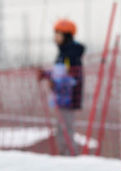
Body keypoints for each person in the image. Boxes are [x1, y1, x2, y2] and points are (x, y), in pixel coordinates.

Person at [41, 19, 85, 155]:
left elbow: (68, 77)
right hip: (62, 97)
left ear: (66, 35)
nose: (55, 37)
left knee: (66, 130)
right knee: (61, 130)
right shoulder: (64, 53)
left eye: (58, 34)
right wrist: (47, 75)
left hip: (68, 98)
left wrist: (53, 81)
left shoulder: (70, 55)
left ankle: (70, 156)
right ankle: (65, 156)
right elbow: (59, 73)